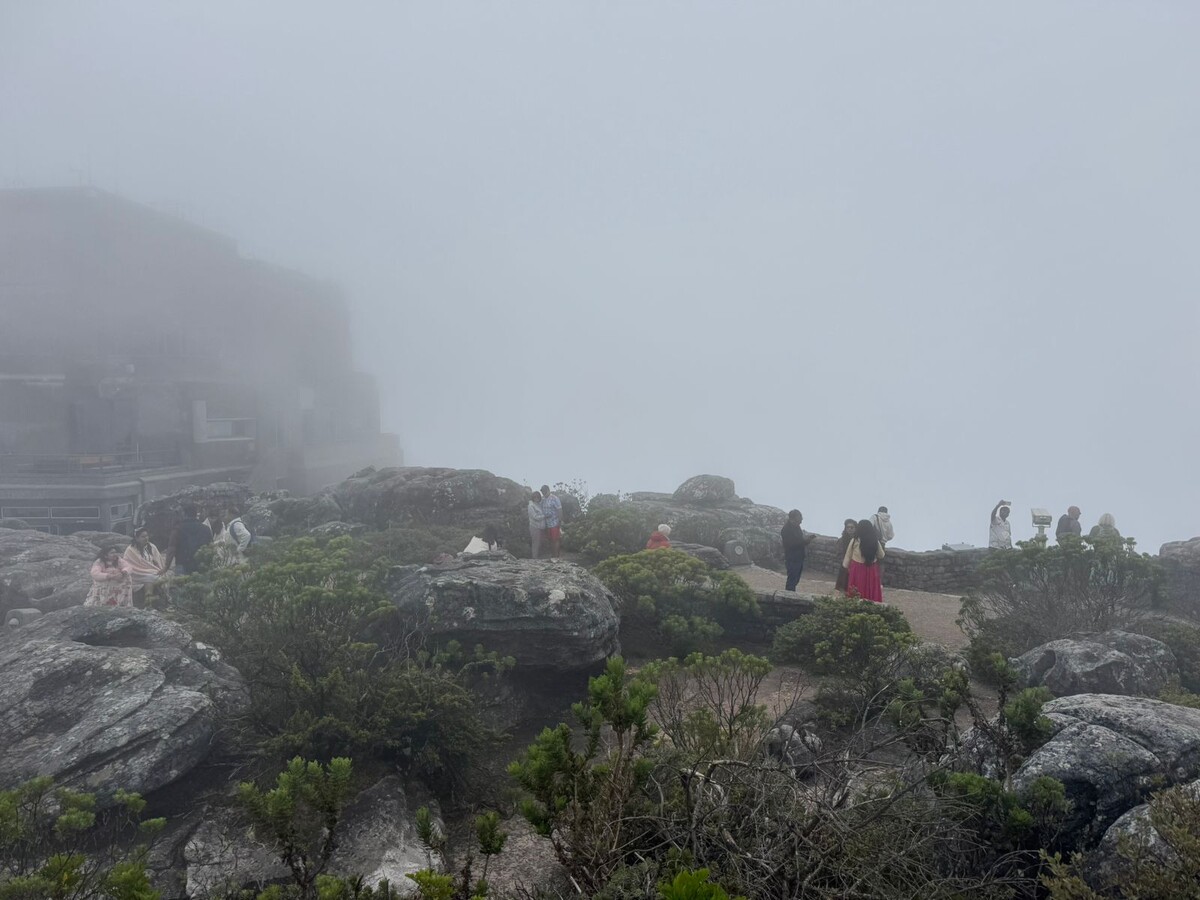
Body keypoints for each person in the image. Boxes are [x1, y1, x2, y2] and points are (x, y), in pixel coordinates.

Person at [163, 503, 213, 575]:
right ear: (196, 514)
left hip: (182, 566)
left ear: (184, 514)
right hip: (201, 567)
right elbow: (211, 548)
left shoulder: (177, 529)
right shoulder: (206, 529)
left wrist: (166, 566)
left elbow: (171, 549)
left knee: (181, 582)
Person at [843, 519, 885, 603]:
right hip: (871, 568)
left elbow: (848, 555)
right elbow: (881, 555)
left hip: (857, 568)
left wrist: (845, 566)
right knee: (870, 587)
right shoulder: (875, 541)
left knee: (857, 587)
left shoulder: (855, 540)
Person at [123, 527, 167, 606]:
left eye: (147, 536)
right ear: (137, 538)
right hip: (137, 574)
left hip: (151, 571)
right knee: (150, 577)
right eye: (143, 537)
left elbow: (158, 560)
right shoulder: (130, 550)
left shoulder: (152, 546)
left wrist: (161, 569)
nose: (146, 538)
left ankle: (159, 601)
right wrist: (148, 571)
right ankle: (148, 602)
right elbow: (128, 564)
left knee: (158, 577)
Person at [780, 510, 817, 591]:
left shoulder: (796, 527)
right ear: (792, 519)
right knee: (792, 580)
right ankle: (788, 596)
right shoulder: (786, 530)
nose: (801, 521)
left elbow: (799, 540)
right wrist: (806, 541)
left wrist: (807, 540)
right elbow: (790, 544)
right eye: (799, 519)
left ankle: (790, 594)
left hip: (799, 557)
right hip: (792, 558)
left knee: (795, 579)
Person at [833, 518, 857, 595]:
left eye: (852, 527)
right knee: (843, 586)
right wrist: (845, 562)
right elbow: (838, 553)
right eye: (848, 527)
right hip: (844, 565)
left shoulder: (858, 540)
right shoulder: (842, 540)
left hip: (855, 565)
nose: (849, 529)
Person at [540, 485, 563, 559]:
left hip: (554, 522)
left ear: (548, 490)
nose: (544, 493)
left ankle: (556, 556)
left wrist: (559, 521)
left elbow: (559, 510)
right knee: (550, 540)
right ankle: (553, 555)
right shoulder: (543, 500)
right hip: (547, 523)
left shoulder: (555, 498)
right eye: (542, 492)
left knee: (555, 539)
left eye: (545, 491)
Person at [528, 491, 546, 559]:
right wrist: (544, 516)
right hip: (534, 527)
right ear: (532, 497)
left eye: (538, 497)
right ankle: (534, 558)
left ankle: (538, 558)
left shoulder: (539, 505)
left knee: (540, 543)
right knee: (535, 543)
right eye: (535, 497)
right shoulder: (531, 506)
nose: (536, 498)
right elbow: (534, 517)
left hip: (541, 527)